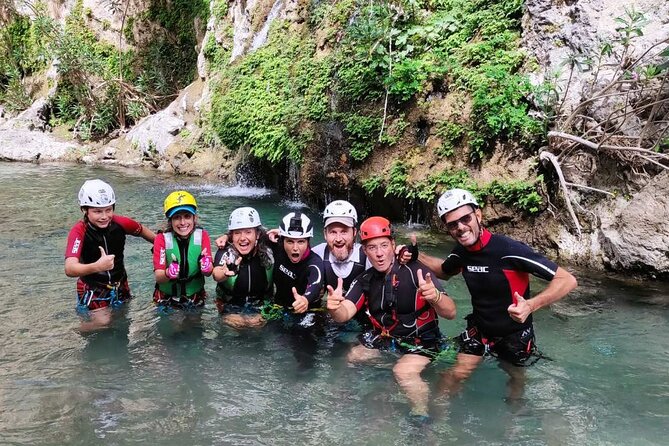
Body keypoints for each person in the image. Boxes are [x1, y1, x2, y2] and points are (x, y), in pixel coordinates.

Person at [415, 188, 578, 399]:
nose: (461, 227)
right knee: (452, 376)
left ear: (478, 215)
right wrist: (417, 255)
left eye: (465, 218)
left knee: (516, 387)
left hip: (515, 336)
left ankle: (514, 426)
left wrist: (531, 305)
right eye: (452, 224)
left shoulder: (509, 249)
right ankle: (433, 425)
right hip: (480, 331)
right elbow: (444, 271)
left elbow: (567, 280)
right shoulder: (461, 253)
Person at [327, 216, 456, 417]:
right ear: (364, 251)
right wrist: (334, 307)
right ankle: (351, 398)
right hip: (389, 340)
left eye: (384, 245)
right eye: (372, 248)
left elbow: (451, 313)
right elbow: (345, 313)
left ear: (393, 245)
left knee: (402, 371)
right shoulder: (365, 280)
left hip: (421, 341)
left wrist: (436, 296)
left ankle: (421, 417)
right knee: (354, 356)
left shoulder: (416, 271)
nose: (379, 254)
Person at [65, 179, 155, 330]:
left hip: (120, 283)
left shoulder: (121, 223)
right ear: (84, 210)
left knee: (122, 318)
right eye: (97, 211)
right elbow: (69, 268)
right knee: (103, 322)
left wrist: (164, 248)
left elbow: (145, 233)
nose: (104, 216)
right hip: (93, 287)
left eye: (108, 210)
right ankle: (74, 331)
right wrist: (97, 266)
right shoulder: (79, 231)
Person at [213, 207, 274, 328]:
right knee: (235, 325)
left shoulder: (269, 251)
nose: (242, 238)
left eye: (248, 232)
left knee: (258, 326)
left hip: (262, 305)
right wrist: (225, 273)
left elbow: (291, 240)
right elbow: (216, 273)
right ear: (231, 236)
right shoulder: (226, 252)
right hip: (230, 306)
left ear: (257, 234)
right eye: (237, 233)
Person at [152, 191, 213, 311]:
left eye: (187, 216)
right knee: (175, 326)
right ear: (170, 220)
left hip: (195, 296)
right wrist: (168, 273)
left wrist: (206, 267)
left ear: (194, 218)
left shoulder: (203, 236)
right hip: (167, 298)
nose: (183, 222)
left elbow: (209, 272)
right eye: (177, 217)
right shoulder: (161, 239)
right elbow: (159, 277)